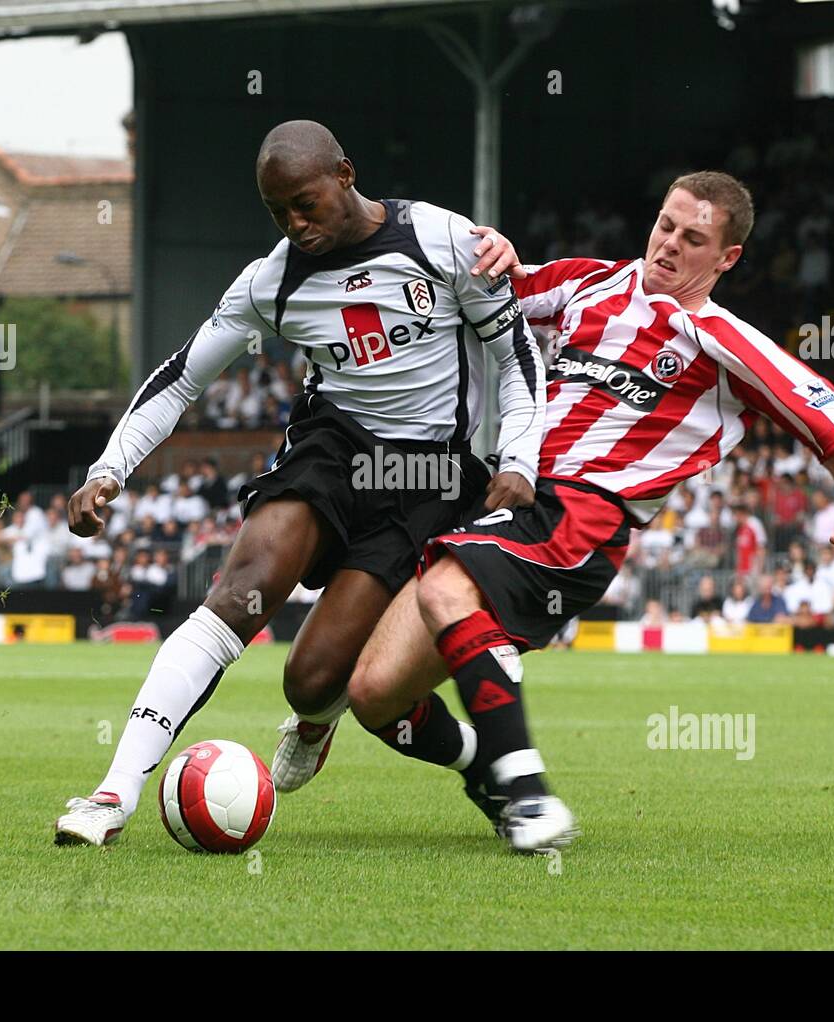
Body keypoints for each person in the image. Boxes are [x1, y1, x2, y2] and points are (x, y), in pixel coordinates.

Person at [339, 171, 834, 852]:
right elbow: (489, 293)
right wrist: (484, 249)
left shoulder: (722, 339)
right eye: (666, 224)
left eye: (693, 238)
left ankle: (528, 795)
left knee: (443, 589)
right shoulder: (589, 283)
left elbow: (828, 423)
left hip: (583, 517)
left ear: (727, 258)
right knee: (373, 693)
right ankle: (485, 769)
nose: (669, 243)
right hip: (509, 492)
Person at [53, 119, 544, 846]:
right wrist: (108, 469)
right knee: (237, 591)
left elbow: (516, 356)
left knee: (312, 679)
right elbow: (182, 375)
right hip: (333, 449)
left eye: (305, 202)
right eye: (277, 210)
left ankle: (468, 762)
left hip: (430, 474)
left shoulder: (443, 241)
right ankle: (113, 792)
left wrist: (518, 459)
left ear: (345, 174)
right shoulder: (273, 279)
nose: (295, 223)